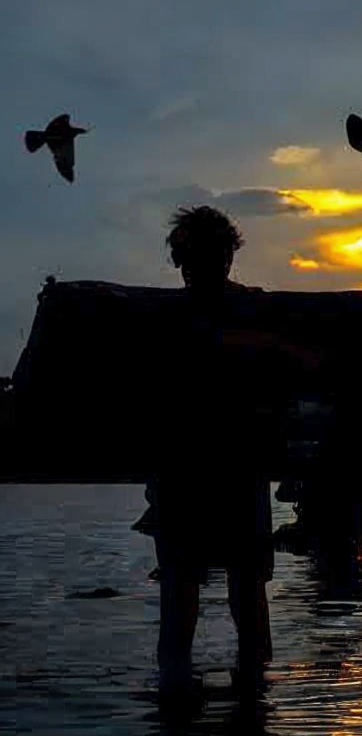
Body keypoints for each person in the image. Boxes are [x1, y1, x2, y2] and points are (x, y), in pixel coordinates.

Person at [138, 206, 276, 695]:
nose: (208, 265)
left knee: (201, 596)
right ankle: (243, 701)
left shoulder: (168, 319)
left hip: (222, 470)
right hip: (199, 472)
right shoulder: (241, 313)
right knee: (215, 594)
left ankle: (198, 702)